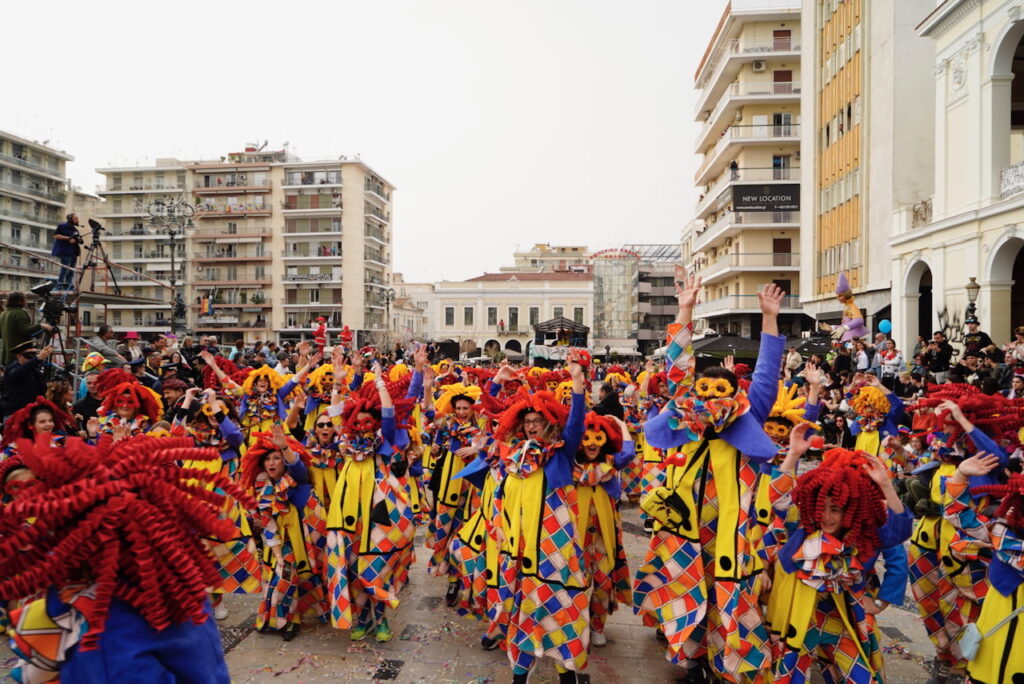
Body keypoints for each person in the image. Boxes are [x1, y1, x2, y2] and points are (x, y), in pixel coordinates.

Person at [1, 341, 52, 420]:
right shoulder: (12, 368)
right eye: (28, 355)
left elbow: (42, 389)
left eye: (34, 354)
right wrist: (37, 359)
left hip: (32, 413)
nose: (32, 358)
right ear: (18, 356)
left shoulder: (35, 370)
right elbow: (18, 373)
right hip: (14, 413)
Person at [0, 292, 52, 366]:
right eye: (24, 299)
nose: (26, 301)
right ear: (19, 301)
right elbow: (25, 330)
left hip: (7, 356)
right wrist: (41, 325)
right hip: (20, 356)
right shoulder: (19, 313)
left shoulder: (3, 314)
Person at [51, 213, 82, 291]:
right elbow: (56, 236)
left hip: (73, 252)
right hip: (65, 251)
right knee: (64, 269)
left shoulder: (75, 230)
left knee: (71, 270)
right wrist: (68, 238)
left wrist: (79, 239)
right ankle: (60, 285)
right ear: (70, 219)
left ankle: (68, 285)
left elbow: (78, 240)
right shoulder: (62, 226)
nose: (77, 221)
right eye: (75, 219)